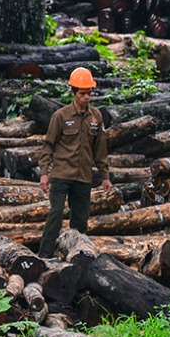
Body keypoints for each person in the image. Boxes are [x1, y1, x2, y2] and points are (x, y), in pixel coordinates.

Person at [37, 67, 112, 259]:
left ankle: (78, 257)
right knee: (56, 213)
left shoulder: (96, 117)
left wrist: (105, 177)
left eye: (89, 93)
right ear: (72, 92)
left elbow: (100, 149)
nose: (86, 97)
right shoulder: (61, 116)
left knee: (80, 220)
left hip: (83, 177)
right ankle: (44, 256)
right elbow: (48, 146)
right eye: (82, 94)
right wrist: (44, 173)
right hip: (61, 175)